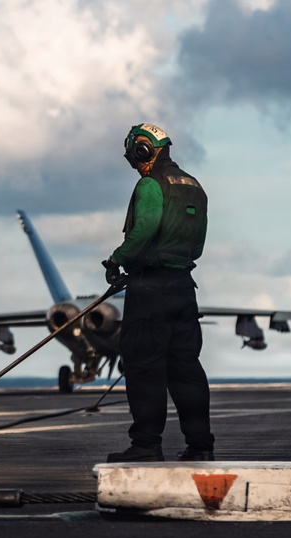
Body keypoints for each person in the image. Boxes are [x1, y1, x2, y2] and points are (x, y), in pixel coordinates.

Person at [102, 123, 215, 463]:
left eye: (134, 159)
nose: (135, 166)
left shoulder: (151, 184)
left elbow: (144, 230)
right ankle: (200, 446)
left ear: (144, 151)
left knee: (144, 367)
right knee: (186, 369)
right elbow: (197, 242)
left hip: (150, 289)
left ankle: (146, 445)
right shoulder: (195, 187)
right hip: (183, 289)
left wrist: (117, 260)